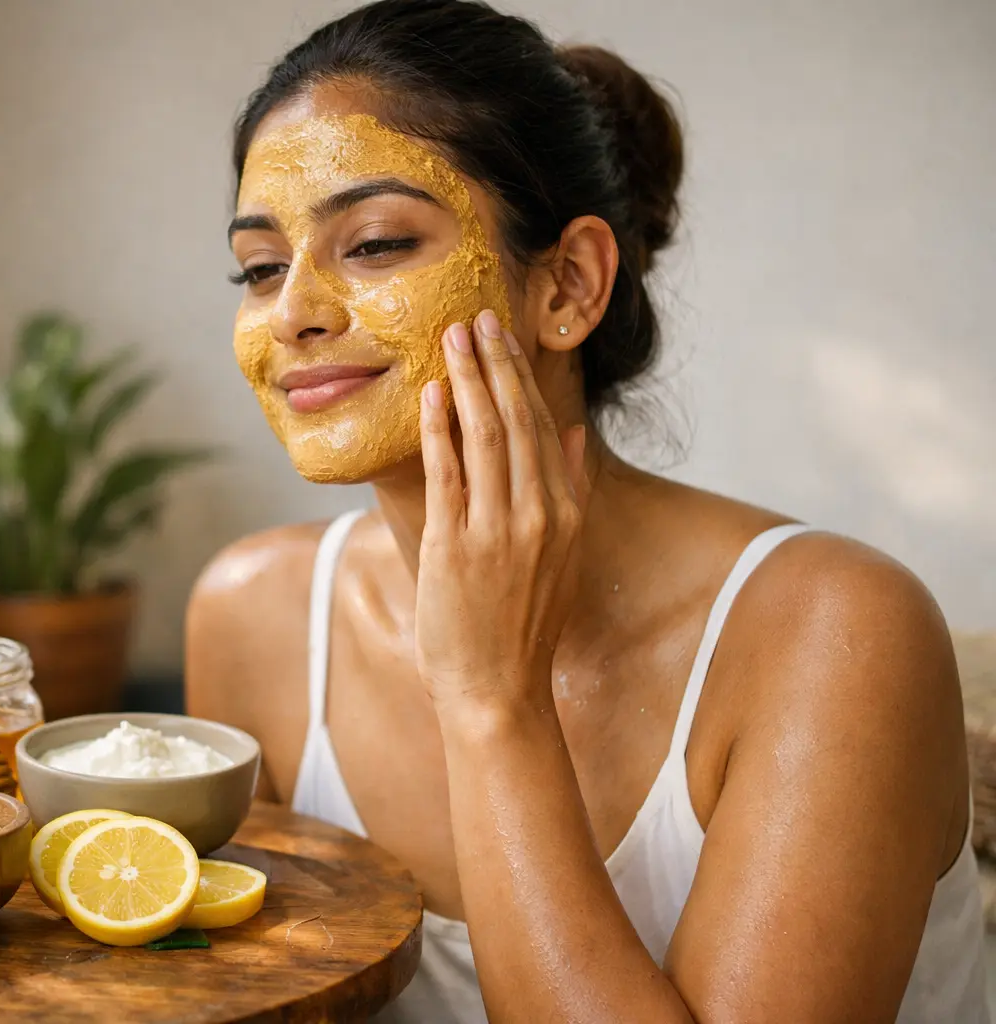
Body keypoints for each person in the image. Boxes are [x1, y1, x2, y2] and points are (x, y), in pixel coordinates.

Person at [184, 1, 988, 1020]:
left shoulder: (836, 634)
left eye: (377, 243)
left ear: (567, 284)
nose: (292, 310)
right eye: (259, 266)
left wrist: (491, 702)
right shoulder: (250, 614)